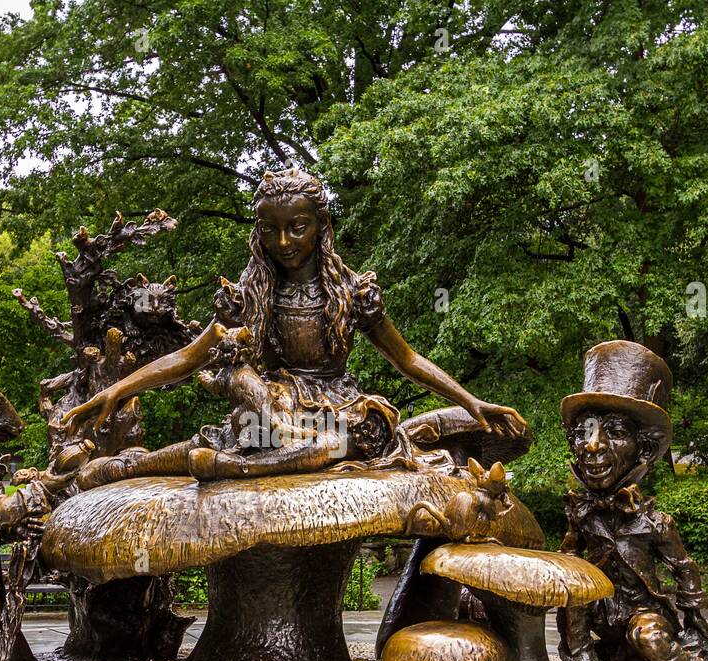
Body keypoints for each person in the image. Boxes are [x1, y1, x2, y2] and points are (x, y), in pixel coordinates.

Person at [63, 167, 527, 486]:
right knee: (254, 421)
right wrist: (118, 390)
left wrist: (471, 400)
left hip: (338, 405)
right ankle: (125, 469)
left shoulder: (351, 292)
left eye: (297, 227)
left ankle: (232, 469)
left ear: (321, 226)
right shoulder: (251, 291)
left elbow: (406, 359)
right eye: (270, 230)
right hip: (278, 405)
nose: (283, 242)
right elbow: (190, 357)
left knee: (344, 438)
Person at [556, 340, 708, 661]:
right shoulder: (581, 513)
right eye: (583, 432)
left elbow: (684, 570)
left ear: (645, 449)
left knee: (649, 637)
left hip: (643, 613)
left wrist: (695, 628)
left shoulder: (655, 523)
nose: (593, 446)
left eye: (615, 431)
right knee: (572, 598)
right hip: (601, 611)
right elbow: (567, 560)